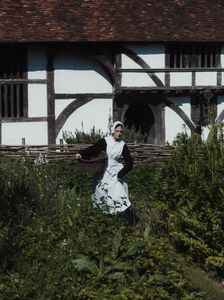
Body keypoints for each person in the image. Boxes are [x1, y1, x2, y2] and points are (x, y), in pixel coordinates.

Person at [75, 121, 136, 225]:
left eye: (121, 131)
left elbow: (130, 163)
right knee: (101, 194)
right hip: (103, 172)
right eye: (117, 131)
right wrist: (81, 154)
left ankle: (129, 223)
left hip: (115, 173)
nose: (119, 133)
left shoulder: (122, 145)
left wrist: (120, 175)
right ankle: (104, 222)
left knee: (120, 195)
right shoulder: (105, 141)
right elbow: (93, 149)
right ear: (113, 131)